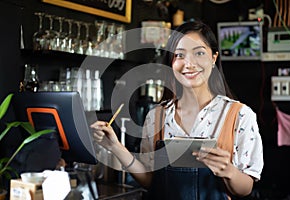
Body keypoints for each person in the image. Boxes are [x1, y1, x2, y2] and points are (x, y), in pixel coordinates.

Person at [91, 20, 263, 200]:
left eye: (199, 53)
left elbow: (245, 188)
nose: (189, 64)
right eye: (180, 55)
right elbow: (151, 181)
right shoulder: (157, 116)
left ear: (213, 58)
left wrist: (228, 170)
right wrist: (115, 147)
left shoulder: (239, 115)